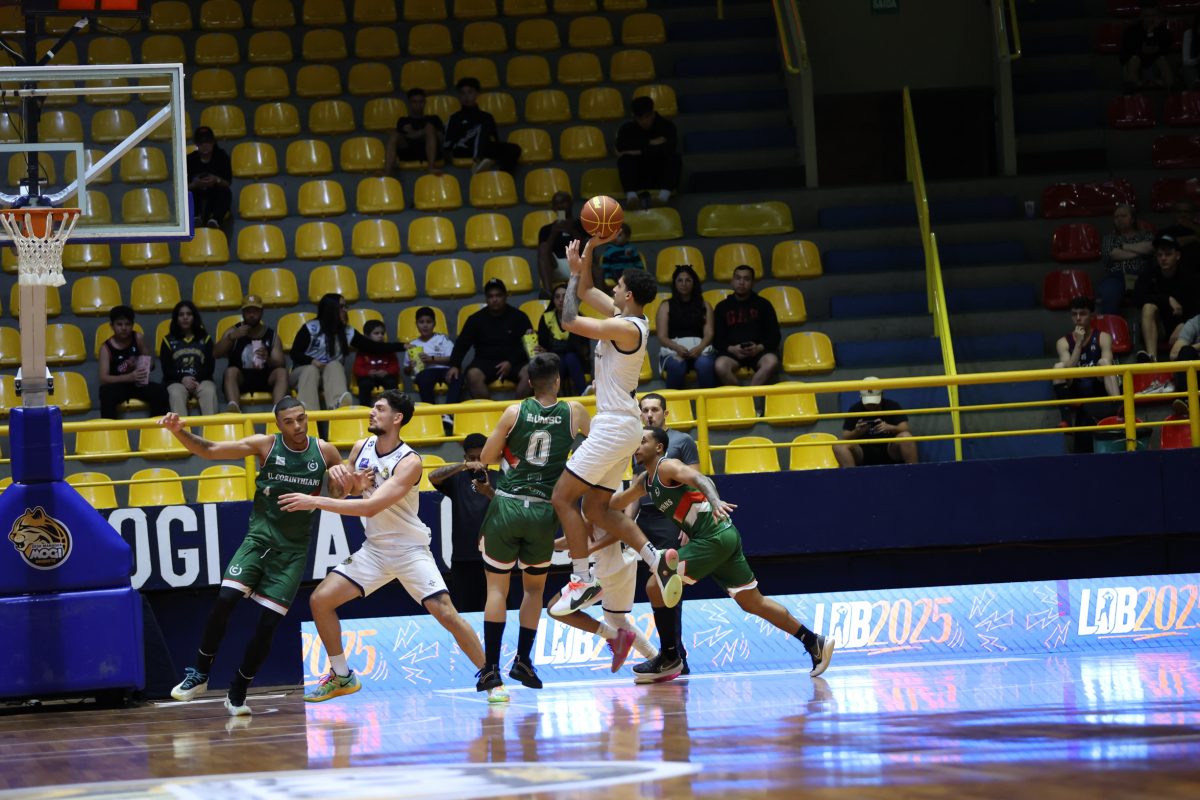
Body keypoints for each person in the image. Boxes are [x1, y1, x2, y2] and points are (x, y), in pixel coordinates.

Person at [278, 391, 488, 702]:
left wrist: (314, 501)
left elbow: (370, 506)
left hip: (409, 550)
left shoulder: (410, 461)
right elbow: (340, 493)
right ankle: (342, 676)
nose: (371, 412)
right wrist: (345, 480)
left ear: (397, 418)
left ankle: (490, 675)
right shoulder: (361, 447)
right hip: (375, 550)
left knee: (446, 613)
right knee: (320, 600)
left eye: (379, 408)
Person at [162, 398, 350, 715]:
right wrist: (179, 431)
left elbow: (339, 494)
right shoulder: (265, 445)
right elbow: (211, 450)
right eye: (289, 421)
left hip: (293, 551)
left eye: (302, 418)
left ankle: (238, 689)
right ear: (278, 425)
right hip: (258, 540)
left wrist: (344, 480)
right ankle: (200, 673)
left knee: (267, 625)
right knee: (224, 600)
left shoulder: (325, 451)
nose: (298, 426)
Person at [614, 427, 835, 683]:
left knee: (655, 584)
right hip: (723, 537)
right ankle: (813, 641)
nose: (637, 446)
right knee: (752, 602)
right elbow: (616, 504)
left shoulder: (667, 466)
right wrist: (594, 498)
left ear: (659, 447)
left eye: (643, 441)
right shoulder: (645, 481)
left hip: (713, 538)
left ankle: (670, 657)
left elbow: (701, 479)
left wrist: (715, 500)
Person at [548, 235, 682, 617]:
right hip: (621, 428)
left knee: (562, 497)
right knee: (596, 509)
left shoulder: (628, 329)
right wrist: (586, 258)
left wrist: (572, 277)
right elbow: (587, 290)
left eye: (618, 286)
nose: (613, 290)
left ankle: (581, 579)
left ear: (629, 295)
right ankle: (656, 560)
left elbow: (569, 320)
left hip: (613, 426)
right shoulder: (625, 317)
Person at [473, 353, 591, 700]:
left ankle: (491, 668)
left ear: (528, 383)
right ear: (558, 381)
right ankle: (523, 661)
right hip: (544, 509)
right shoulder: (575, 412)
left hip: (507, 505)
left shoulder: (514, 412)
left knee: (497, 590)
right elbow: (598, 447)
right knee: (533, 590)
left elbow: (485, 459)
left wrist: (510, 452)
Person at [629, 392, 699, 671]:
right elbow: (635, 487)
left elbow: (695, 483)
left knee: (668, 585)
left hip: (672, 519)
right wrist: (626, 524)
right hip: (645, 521)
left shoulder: (682, 441)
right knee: (655, 588)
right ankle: (672, 653)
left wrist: (688, 524)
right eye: (645, 410)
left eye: (654, 410)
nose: (649, 414)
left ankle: (675, 654)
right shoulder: (638, 443)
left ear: (665, 413)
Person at [289, 293, 407, 412]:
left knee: (335, 364)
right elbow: (295, 353)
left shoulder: (346, 331)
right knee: (311, 370)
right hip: (303, 374)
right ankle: (308, 412)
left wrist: (402, 346)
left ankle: (337, 406)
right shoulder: (311, 328)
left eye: (346, 306)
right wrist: (312, 361)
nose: (345, 310)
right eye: (342, 307)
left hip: (329, 376)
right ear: (330, 309)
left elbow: (372, 346)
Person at [429, 433, 495, 614]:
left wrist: (489, 491)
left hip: (494, 557)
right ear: (465, 457)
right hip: (462, 558)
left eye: (480, 457)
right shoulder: (458, 478)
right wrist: (464, 466)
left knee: (495, 609)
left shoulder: (499, 477)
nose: (477, 462)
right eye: (472, 458)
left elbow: (508, 506)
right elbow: (433, 477)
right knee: (464, 611)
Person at [447, 279, 532, 399]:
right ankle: (489, 409)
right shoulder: (475, 319)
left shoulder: (519, 317)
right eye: (491, 296)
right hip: (485, 361)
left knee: (532, 372)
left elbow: (527, 345)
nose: (495, 299)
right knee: (472, 375)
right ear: (486, 299)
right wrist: (454, 365)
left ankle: (518, 408)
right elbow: (462, 344)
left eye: (498, 295)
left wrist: (510, 362)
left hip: (515, 361)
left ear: (505, 296)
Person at [1052, 296, 1120, 441]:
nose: (1078, 318)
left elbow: (1108, 365)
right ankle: (1066, 420)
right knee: (1059, 367)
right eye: (1074, 314)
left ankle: (1119, 409)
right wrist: (1078, 343)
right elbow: (1068, 372)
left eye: (1082, 314)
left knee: (1104, 362)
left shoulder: (1103, 337)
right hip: (1075, 387)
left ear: (1092, 315)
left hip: (1097, 385)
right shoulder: (1063, 342)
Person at [712, 265, 781, 399]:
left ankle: (749, 397)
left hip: (758, 351)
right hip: (732, 352)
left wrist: (759, 347)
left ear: (752, 283)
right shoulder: (722, 307)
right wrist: (732, 349)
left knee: (771, 362)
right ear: (732, 281)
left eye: (746, 279)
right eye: (738, 278)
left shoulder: (764, 305)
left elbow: (775, 335)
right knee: (720, 366)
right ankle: (742, 398)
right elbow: (717, 339)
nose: (741, 282)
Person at [1135, 234, 1200, 373]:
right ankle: (1152, 360)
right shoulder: (1150, 273)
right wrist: (1167, 299)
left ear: (1178, 255)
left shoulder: (1189, 276)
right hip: (1159, 328)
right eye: (1160, 255)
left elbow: (1197, 307)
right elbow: (1138, 298)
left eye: (1168, 254)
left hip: (1184, 328)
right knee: (1148, 307)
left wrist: (1184, 324)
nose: (1163, 258)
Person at [214, 295, 288, 413]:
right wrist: (231, 338)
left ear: (262, 312)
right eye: (248, 311)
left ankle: (277, 410)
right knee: (230, 371)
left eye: (255, 311)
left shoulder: (271, 335)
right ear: (243, 313)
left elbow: (281, 363)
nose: (252, 315)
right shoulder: (233, 331)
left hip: (264, 377)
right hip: (241, 378)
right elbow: (215, 353)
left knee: (282, 372)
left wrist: (268, 358)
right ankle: (234, 407)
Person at [97, 305, 169, 419]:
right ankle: (110, 427)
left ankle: (155, 426)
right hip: (117, 385)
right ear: (112, 326)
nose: (124, 328)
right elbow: (103, 378)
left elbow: (151, 363)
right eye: (119, 324)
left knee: (160, 391)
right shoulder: (106, 348)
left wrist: (142, 365)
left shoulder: (138, 338)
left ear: (132, 325)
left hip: (137, 383)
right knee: (106, 393)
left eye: (127, 324)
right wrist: (129, 377)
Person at [834, 378, 918, 467]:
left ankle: (914, 472)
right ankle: (852, 475)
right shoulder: (855, 409)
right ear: (861, 397)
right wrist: (856, 432)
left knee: (906, 437)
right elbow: (845, 436)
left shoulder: (892, 406)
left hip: (889, 449)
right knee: (838, 445)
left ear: (882, 395)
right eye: (868, 403)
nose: (871, 406)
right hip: (862, 451)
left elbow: (906, 429)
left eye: (874, 402)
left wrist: (890, 427)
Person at [615, 96, 681, 211]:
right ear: (634, 117)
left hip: (660, 175)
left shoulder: (667, 126)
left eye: (647, 117)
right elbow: (621, 147)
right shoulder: (627, 128)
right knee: (625, 159)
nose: (644, 122)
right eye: (640, 118)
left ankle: (662, 198)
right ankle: (632, 198)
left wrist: (636, 151)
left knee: (674, 158)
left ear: (653, 114)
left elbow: (668, 149)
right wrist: (649, 142)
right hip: (638, 176)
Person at [444, 76, 521, 174]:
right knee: (482, 125)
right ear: (459, 96)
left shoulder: (487, 117)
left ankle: (503, 176)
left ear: (477, 94)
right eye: (463, 93)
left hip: (483, 147)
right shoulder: (454, 118)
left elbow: (494, 139)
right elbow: (448, 144)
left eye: (470, 92)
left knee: (514, 149)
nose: (466, 96)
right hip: (463, 149)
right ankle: (479, 160)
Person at [657, 265, 717, 390]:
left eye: (688, 280)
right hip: (674, 349)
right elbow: (662, 336)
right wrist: (677, 348)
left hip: (700, 348)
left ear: (694, 283)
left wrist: (699, 348)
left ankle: (709, 400)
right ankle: (675, 401)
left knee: (704, 364)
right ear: (675, 283)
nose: (684, 284)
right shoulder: (665, 306)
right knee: (676, 365)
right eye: (680, 280)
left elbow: (709, 333)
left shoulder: (705, 305)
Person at [160, 300, 218, 417]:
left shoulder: (205, 339)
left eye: (189, 314)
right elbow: (167, 369)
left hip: (201, 380)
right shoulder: (168, 340)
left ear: (194, 317)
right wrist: (182, 379)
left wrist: (194, 379)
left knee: (209, 391)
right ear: (176, 318)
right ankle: (182, 429)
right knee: (175, 393)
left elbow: (209, 367)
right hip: (176, 381)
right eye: (181, 315)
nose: (185, 317)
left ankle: (210, 428)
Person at [536, 283, 591, 395]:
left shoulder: (579, 318)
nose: (561, 300)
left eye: (565, 297)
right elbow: (543, 346)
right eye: (557, 297)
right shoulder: (546, 318)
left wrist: (556, 348)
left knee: (570, 357)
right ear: (553, 300)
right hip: (554, 360)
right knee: (560, 359)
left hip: (577, 360)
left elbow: (580, 348)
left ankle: (553, 395)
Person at [1099, 204, 1154, 314]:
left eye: (1123, 216)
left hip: (1141, 275)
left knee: (1149, 295)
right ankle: (1111, 324)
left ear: (1132, 219)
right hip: (1116, 276)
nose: (1119, 219)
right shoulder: (1109, 238)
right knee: (1109, 293)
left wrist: (1123, 247)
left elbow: (1150, 248)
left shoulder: (1146, 235)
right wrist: (1139, 251)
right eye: (1116, 217)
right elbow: (1111, 254)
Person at [536, 191, 589, 295]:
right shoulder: (546, 229)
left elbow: (587, 249)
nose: (560, 206)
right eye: (556, 203)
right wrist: (553, 233)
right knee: (543, 247)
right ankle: (548, 293)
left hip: (578, 265)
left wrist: (572, 231)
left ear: (571, 204)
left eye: (563, 202)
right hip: (556, 267)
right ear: (553, 208)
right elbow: (544, 253)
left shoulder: (582, 225)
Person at [384, 87, 444, 174]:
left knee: (429, 128)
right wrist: (422, 133)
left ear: (425, 102)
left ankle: (431, 167)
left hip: (429, 152)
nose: (418, 105)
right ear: (409, 103)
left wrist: (415, 133)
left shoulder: (434, 119)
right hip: (410, 151)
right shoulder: (403, 120)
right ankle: (387, 172)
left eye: (421, 102)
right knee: (394, 134)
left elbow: (440, 138)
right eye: (415, 102)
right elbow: (403, 137)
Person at [186, 126, 232, 228]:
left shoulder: (222, 157)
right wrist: (195, 184)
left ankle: (215, 219)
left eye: (208, 142)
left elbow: (227, 182)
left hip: (215, 192)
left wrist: (216, 180)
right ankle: (195, 217)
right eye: (201, 143)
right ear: (197, 144)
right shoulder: (189, 159)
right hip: (196, 192)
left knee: (225, 191)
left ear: (213, 142)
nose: (205, 145)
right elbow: (181, 188)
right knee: (189, 193)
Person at [1120, 4, 1173, 91]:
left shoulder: (1163, 30)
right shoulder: (1131, 30)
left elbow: (1166, 48)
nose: (1150, 19)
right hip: (1138, 63)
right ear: (1141, 16)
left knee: (1162, 60)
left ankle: (1171, 91)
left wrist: (1150, 31)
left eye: (1153, 16)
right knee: (1134, 60)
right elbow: (1125, 54)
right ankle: (1133, 92)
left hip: (1155, 63)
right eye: (1147, 16)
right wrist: (1141, 51)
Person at [353, 319, 401, 407]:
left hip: (385, 376)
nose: (380, 336)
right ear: (367, 336)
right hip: (368, 377)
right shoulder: (362, 351)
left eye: (382, 333)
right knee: (364, 384)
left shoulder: (388, 349)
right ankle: (365, 408)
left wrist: (386, 372)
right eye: (376, 333)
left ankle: (394, 407)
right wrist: (368, 373)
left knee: (391, 382)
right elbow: (357, 369)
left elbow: (395, 367)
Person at [596, 223, 643, 288]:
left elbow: (638, 263)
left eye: (619, 235)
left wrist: (641, 274)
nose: (615, 238)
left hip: (631, 277)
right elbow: (606, 266)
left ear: (627, 237)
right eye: (613, 235)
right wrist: (608, 277)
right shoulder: (609, 250)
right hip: (616, 277)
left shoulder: (631, 249)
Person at [1185, 14, 1200, 89]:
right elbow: (1185, 61)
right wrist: (1197, 59)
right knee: (1187, 69)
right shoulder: (1189, 34)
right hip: (1193, 66)